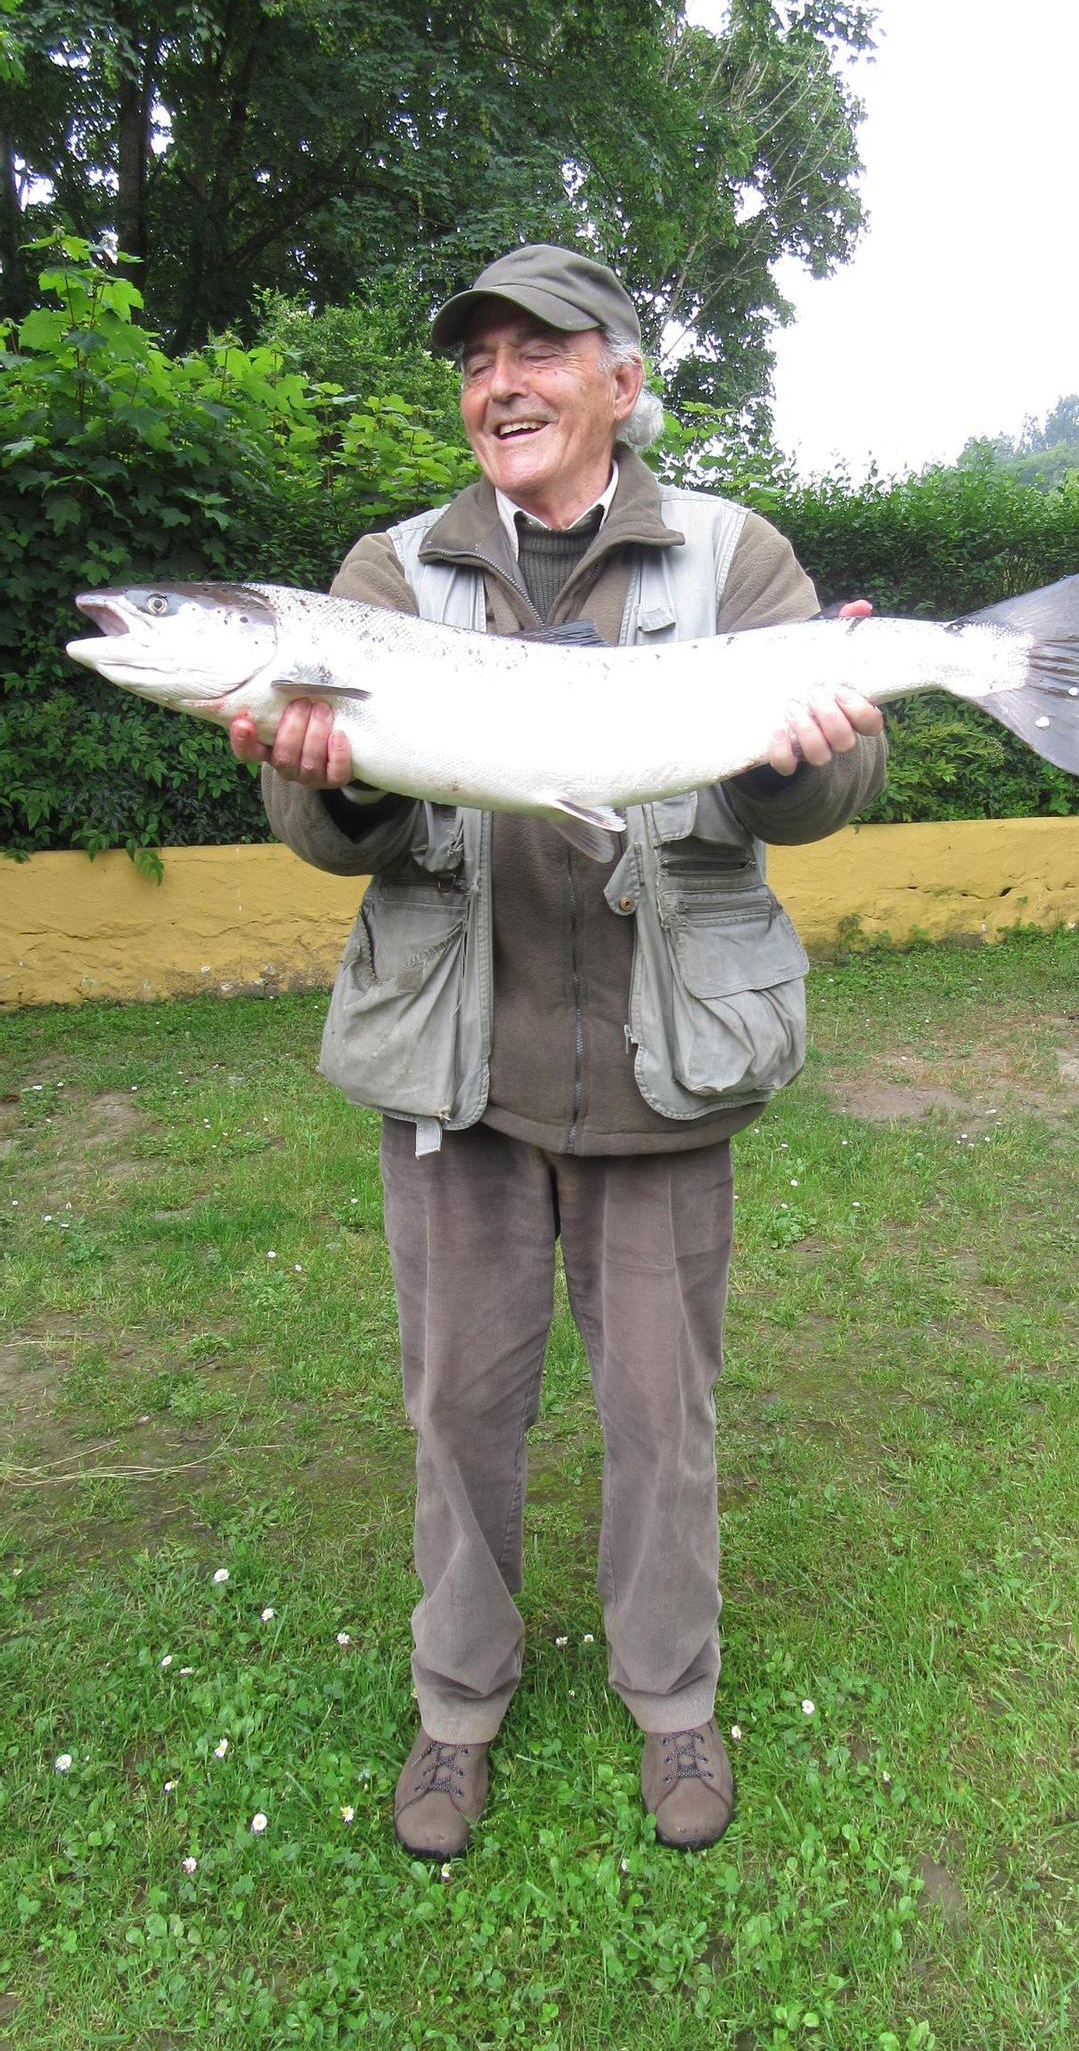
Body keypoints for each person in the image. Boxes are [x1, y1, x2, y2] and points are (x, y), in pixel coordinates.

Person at [231, 245, 886, 1858]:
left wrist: (816, 758)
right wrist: (340, 777)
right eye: (475, 363)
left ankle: (675, 1698)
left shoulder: (738, 558)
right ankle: (458, 1699)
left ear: (624, 380)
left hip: (664, 1063)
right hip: (462, 1066)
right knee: (458, 1409)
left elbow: (816, 800)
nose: (498, 386)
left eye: (538, 352)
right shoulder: (380, 576)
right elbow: (325, 828)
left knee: (664, 1417)